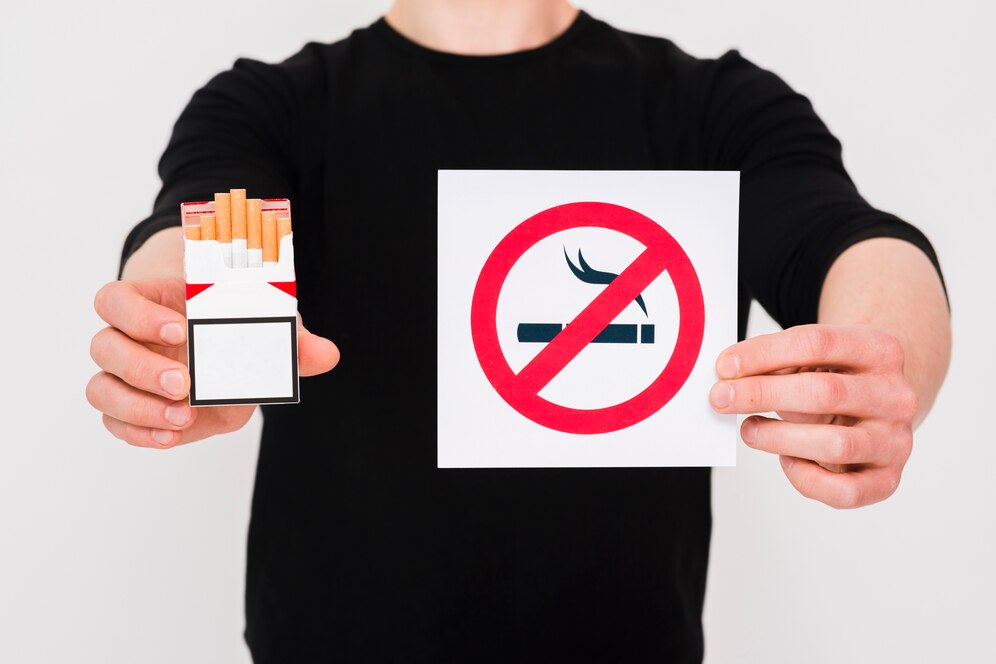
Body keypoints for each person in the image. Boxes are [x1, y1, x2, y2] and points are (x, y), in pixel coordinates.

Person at [86, 1, 951, 661]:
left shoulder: (715, 108)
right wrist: (176, 334)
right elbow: (205, 224)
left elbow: (846, 240)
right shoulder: (270, 109)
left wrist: (881, 366)